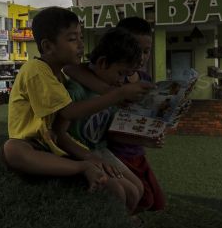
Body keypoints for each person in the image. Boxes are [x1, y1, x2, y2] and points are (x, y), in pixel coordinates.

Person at [0, 7, 154, 192]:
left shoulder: (60, 77)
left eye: (81, 37)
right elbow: (69, 111)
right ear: (48, 46)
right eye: (73, 39)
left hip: (52, 146)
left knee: (130, 188)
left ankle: (81, 166)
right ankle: (80, 167)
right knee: (13, 148)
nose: (81, 44)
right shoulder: (35, 69)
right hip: (33, 145)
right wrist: (117, 95)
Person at [64, 17, 166, 211]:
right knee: (127, 193)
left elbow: (112, 126)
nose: (142, 56)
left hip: (118, 148)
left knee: (144, 195)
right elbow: (65, 117)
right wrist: (114, 94)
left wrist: (147, 138)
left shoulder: (128, 80)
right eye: (122, 74)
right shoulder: (105, 87)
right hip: (104, 150)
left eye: (146, 51)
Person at [53, 27, 146, 215]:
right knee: (120, 192)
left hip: (100, 150)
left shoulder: (111, 90)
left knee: (138, 189)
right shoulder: (78, 90)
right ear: (103, 63)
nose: (123, 81)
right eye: (121, 73)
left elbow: (108, 130)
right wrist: (89, 157)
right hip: (79, 153)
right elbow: (60, 134)